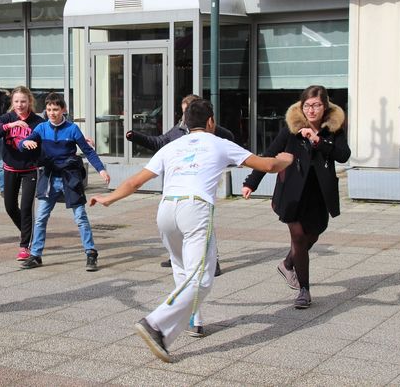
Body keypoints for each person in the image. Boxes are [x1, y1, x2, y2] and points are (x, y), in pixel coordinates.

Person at [90, 98, 293, 362]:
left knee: (183, 271)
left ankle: (179, 327)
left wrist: (109, 198)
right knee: (201, 279)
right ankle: (156, 324)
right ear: (211, 122)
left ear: (185, 123)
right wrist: (285, 159)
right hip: (194, 210)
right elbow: (267, 166)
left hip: (166, 211)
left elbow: (134, 181)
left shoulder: (173, 146)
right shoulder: (220, 143)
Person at [242, 85, 350, 309]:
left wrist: (319, 141)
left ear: (325, 107)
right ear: (302, 107)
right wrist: (251, 182)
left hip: (319, 194)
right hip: (292, 194)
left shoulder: (333, 130)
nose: (311, 110)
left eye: (317, 105)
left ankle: (288, 263)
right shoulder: (290, 130)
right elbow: (269, 155)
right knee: (299, 238)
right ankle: (304, 290)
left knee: (314, 233)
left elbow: (343, 155)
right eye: (307, 105)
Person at [126, 94, 234, 276]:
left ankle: (212, 261)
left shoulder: (212, 131)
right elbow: (159, 142)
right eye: (183, 111)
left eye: (188, 111)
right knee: (176, 224)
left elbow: (229, 138)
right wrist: (135, 137)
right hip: (176, 187)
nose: (185, 116)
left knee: (203, 226)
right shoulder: (178, 130)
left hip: (199, 190)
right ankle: (177, 256)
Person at [18, 92, 111, 272]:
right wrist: (25, 144)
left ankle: (91, 253)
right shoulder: (41, 128)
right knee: (41, 218)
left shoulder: (72, 129)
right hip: (49, 177)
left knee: (80, 218)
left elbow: (88, 151)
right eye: (49, 109)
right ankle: (36, 255)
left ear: (63, 110)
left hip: (69, 177)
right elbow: (24, 142)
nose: (52, 113)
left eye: (56, 109)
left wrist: (101, 169)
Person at [0, 86, 45, 262]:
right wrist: (10, 125)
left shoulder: (37, 122)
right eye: (17, 101)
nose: (20, 105)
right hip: (10, 169)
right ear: (12, 102)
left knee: (26, 208)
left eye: (23, 101)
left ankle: (24, 245)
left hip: (30, 170)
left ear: (30, 102)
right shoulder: (6, 118)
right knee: (10, 207)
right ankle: (30, 234)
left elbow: (49, 140)